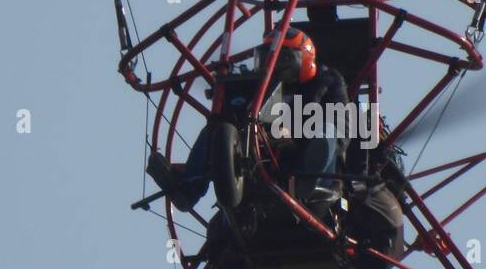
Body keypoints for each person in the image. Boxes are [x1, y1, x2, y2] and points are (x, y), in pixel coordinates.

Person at [147, 27, 350, 213]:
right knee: (215, 129)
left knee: (329, 130)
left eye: (284, 60)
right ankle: (188, 189)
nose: (275, 67)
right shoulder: (259, 88)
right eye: (268, 60)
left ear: (304, 59)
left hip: (312, 156)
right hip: (265, 157)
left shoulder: (327, 81)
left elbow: (342, 123)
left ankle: (307, 183)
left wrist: (300, 136)